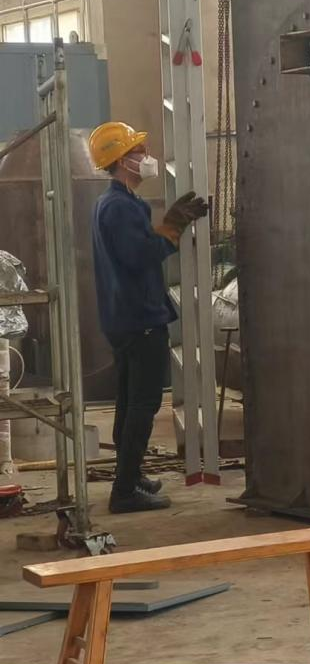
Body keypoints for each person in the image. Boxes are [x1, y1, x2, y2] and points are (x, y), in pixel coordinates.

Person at [88, 122, 209, 514]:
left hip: (125, 317)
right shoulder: (119, 207)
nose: (146, 157)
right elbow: (139, 256)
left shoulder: (117, 202)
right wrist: (173, 227)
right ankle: (124, 492)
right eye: (138, 151)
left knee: (128, 402)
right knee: (143, 404)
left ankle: (131, 474)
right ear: (122, 160)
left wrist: (167, 225)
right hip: (139, 319)